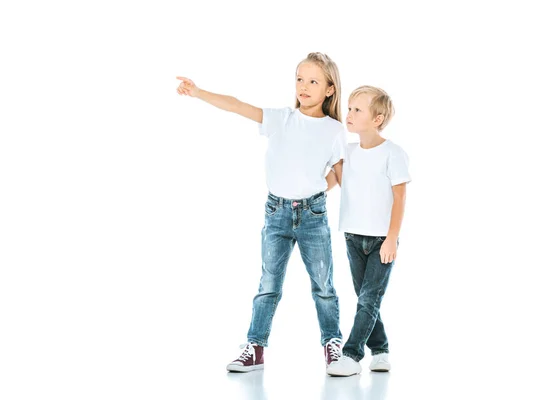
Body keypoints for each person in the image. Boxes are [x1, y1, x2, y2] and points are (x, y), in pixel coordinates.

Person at [176, 52, 347, 373]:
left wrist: (314, 192)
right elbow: (237, 105)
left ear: (329, 90)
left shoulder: (334, 130)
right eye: (299, 78)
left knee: (323, 285)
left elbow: (341, 173)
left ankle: (332, 344)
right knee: (269, 283)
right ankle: (255, 347)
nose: (304, 86)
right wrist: (199, 93)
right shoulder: (282, 119)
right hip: (276, 213)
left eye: (313, 81)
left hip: (313, 216)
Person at [325, 85, 411, 376]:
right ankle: (381, 350)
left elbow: (400, 198)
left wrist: (391, 239)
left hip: (381, 240)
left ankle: (351, 355)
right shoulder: (346, 153)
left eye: (357, 110)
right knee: (366, 298)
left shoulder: (393, 153)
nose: (349, 114)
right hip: (352, 236)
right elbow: (330, 181)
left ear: (377, 118)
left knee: (368, 299)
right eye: (349, 108)